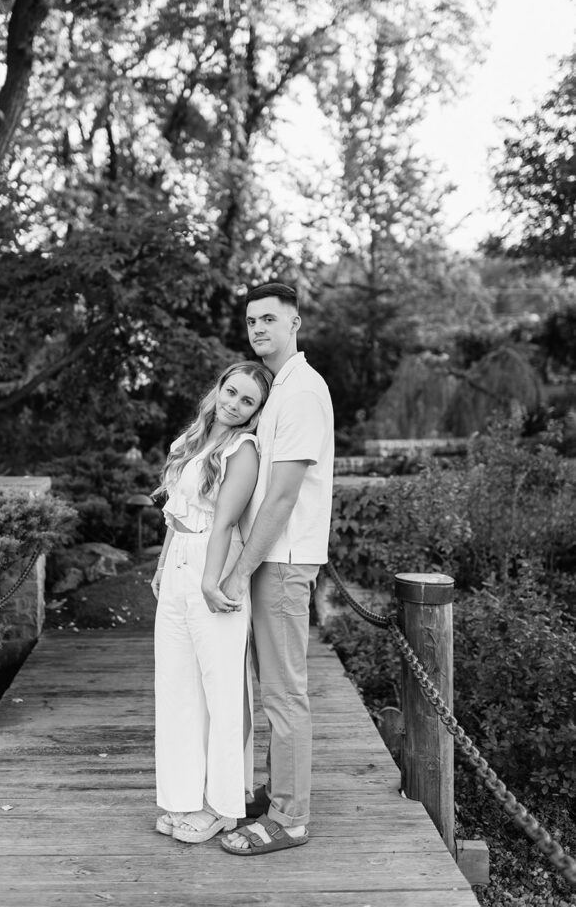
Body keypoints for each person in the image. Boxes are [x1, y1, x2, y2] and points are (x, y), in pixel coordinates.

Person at [220, 282, 334, 856]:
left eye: (269, 318)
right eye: (250, 321)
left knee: (285, 695)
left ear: (294, 324)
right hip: (272, 558)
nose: (258, 328)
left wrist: (239, 570)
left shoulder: (303, 391)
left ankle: (290, 819)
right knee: (273, 691)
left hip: (283, 563)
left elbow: (283, 497)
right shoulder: (278, 390)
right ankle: (277, 793)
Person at [151, 359, 273, 844]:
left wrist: (210, 581)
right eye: (232, 392)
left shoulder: (243, 450)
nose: (235, 404)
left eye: (248, 401)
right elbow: (173, 516)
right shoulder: (191, 440)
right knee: (177, 688)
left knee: (221, 691)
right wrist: (163, 566)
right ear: (219, 387)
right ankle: (182, 797)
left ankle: (221, 805)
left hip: (213, 564)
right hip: (180, 559)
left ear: (256, 412)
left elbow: (222, 522)